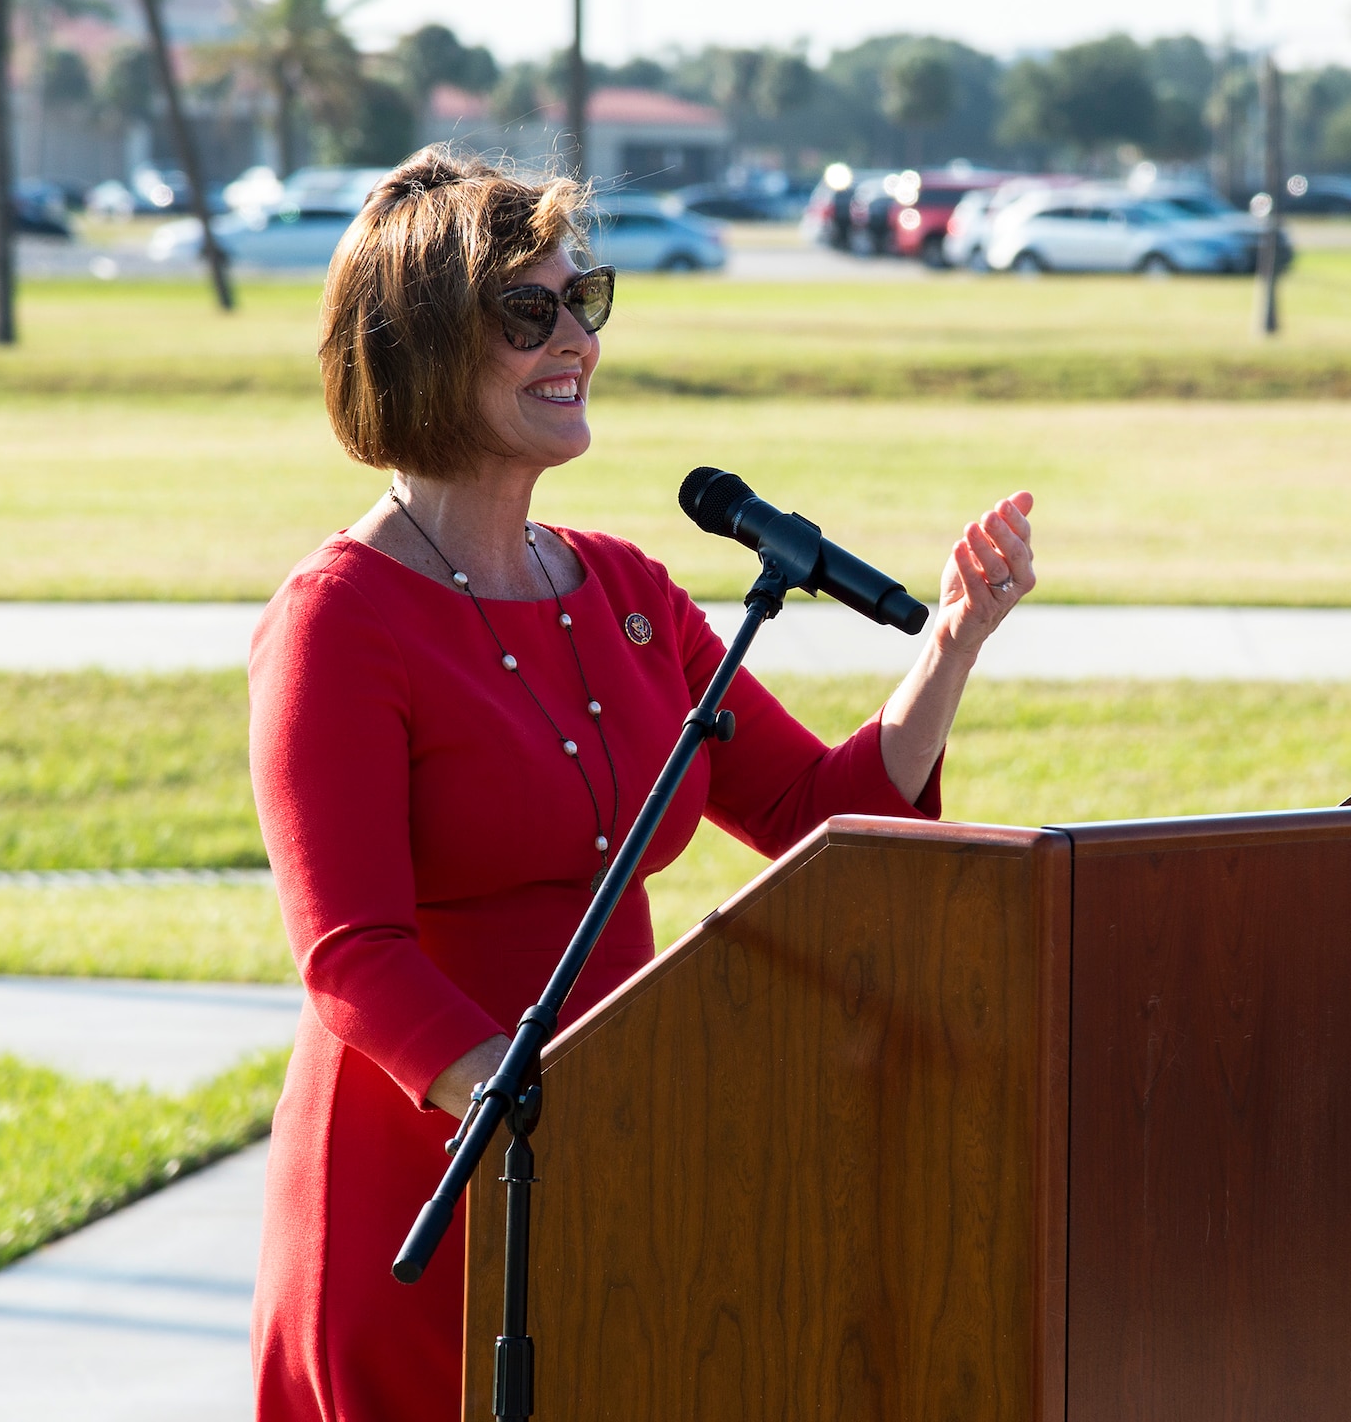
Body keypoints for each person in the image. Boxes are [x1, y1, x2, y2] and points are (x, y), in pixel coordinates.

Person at [247, 146, 1036, 1421]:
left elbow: (815, 818)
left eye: (585, 298)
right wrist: (536, 1104)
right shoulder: (337, 619)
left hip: (614, 1169)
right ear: (425, 345)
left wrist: (948, 645)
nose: (576, 337)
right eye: (530, 310)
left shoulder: (621, 589)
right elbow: (351, 954)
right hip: (427, 1191)